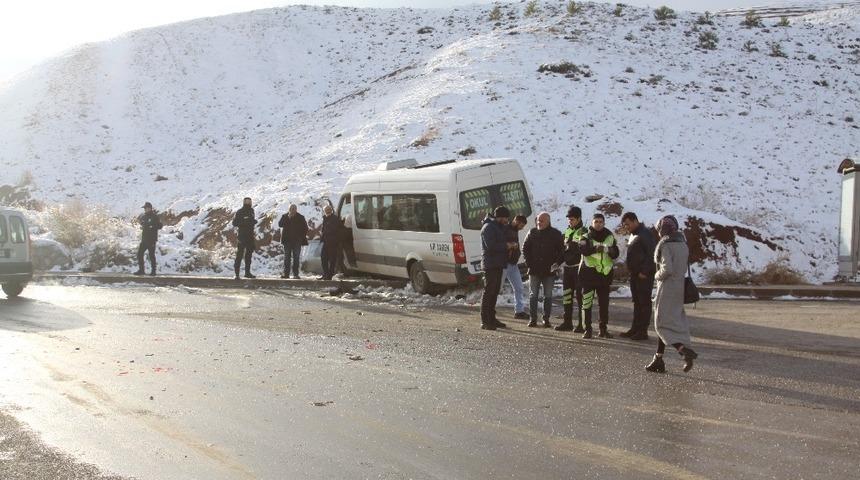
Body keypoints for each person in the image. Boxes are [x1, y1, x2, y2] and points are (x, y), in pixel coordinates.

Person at [646, 215, 699, 373]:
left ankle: (683, 350)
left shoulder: (666, 245)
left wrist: (656, 275)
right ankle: (658, 359)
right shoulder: (683, 244)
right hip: (679, 288)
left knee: (661, 324)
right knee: (675, 322)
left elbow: (667, 269)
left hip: (667, 288)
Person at [578, 213, 619, 339]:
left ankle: (603, 329)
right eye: (596, 221)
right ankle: (587, 329)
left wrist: (608, 250)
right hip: (589, 275)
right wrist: (596, 249)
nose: (598, 224)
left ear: (604, 223)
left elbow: (616, 253)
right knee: (587, 303)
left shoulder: (610, 236)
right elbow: (583, 250)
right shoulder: (585, 237)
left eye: (601, 222)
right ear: (592, 223)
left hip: (604, 275)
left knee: (604, 305)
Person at [522, 212, 564, 328]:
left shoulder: (556, 234)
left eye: (542, 221)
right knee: (533, 295)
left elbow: (562, 251)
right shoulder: (532, 232)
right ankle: (533, 319)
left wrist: (557, 263)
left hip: (549, 271)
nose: (539, 222)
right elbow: (525, 249)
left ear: (548, 222)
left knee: (548, 296)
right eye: (538, 220)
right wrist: (529, 263)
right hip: (534, 270)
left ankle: (546, 319)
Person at [620, 212, 657, 340]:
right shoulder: (634, 234)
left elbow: (652, 254)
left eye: (628, 224)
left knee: (644, 303)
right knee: (637, 303)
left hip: (643, 275)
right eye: (625, 225)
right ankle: (635, 328)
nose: (626, 227)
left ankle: (643, 331)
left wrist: (645, 272)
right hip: (635, 275)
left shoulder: (645, 234)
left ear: (635, 221)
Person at [556, 206, 587, 332]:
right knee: (567, 296)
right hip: (568, 269)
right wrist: (557, 263)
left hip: (579, 268)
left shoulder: (584, 231)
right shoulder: (568, 231)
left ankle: (581, 324)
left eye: (572, 219)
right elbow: (564, 250)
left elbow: (581, 250)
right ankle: (567, 322)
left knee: (580, 297)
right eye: (569, 219)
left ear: (579, 219)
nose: (570, 221)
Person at [480, 206, 511, 331]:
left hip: (498, 264)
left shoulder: (498, 227)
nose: (507, 220)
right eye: (506, 218)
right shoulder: (488, 227)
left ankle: (492, 318)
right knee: (489, 292)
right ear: (500, 217)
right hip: (490, 265)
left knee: (494, 292)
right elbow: (491, 246)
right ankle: (485, 321)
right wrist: (506, 245)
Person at [504, 215, 529, 320]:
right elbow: (499, 244)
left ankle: (519, 311)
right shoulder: (505, 229)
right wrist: (510, 245)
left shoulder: (515, 230)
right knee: (495, 288)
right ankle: (488, 311)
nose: (522, 228)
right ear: (516, 221)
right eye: (521, 226)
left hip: (513, 264)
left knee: (519, 287)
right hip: (504, 264)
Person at [278, 204, 308, 279]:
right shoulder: (285, 216)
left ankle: (295, 274)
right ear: (289, 209)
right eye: (291, 208)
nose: (292, 210)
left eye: (294, 208)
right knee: (287, 258)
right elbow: (280, 224)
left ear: (296, 209)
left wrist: (300, 237)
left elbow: (305, 228)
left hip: (297, 241)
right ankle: (286, 274)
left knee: (296, 258)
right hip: (287, 241)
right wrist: (288, 218)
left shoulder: (301, 217)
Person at [134, 202, 162, 276]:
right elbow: (143, 224)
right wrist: (142, 225)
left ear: (149, 208)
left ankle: (153, 271)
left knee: (151, 255)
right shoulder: (144, 216)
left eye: (145, 208)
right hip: (144, 239)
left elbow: (160, 226)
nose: (144, 209)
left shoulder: (155, 216)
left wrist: (152, 226)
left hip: (152, 239)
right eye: (144, 208)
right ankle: (141, 270)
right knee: (139, 254)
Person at [232, 197, 257, 279]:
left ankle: (247, 273)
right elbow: (234, 223)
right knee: (239, 255)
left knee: (249, 256)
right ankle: (237, 274)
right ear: (244, 202)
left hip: (250, 236)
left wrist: (253, 221)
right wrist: (245, 221)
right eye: (247, 202)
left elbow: (251, 221)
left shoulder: (252, 211)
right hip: (242, 236)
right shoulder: (240, 211)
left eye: (250, 202)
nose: (248, 203)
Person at [320, 205, 340, 280]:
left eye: (329, 209)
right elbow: (324, 229)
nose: (327, 211)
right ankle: (325, 274)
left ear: (331, 210)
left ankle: (330, 275)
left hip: (333, 241)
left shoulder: (335, 218)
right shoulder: (325, 218)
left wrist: (326, 231)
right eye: (326, 210)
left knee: (332, 259)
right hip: (326, 241)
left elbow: (335, 229)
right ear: (324, 211)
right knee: (323, 257)